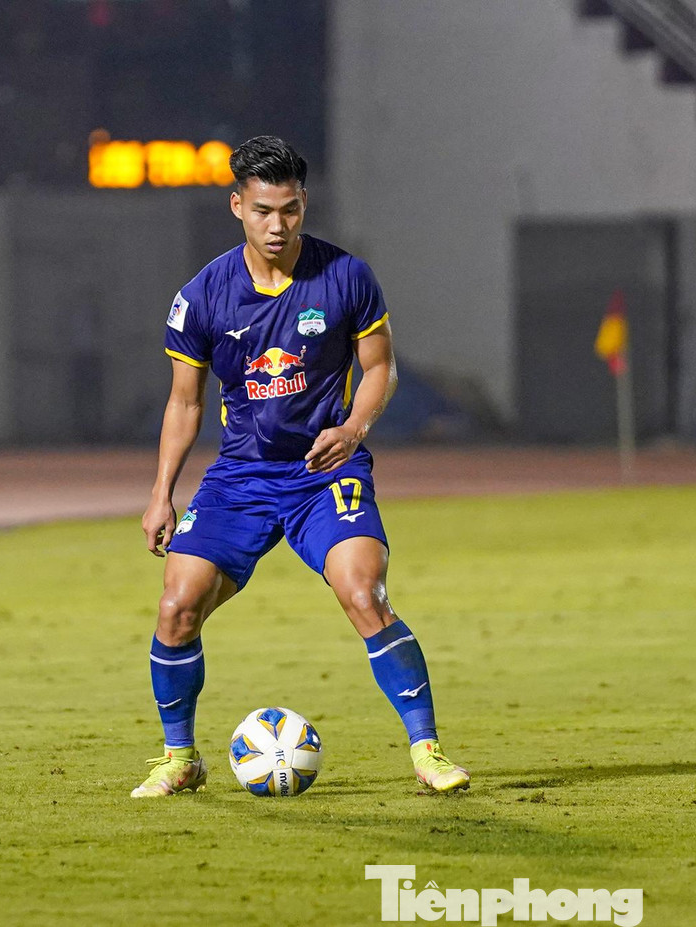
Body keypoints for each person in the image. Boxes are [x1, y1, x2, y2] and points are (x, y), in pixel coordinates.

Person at [130, 135, 469, 798]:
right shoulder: (203, 296)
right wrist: (160, 494)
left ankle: (428, 751)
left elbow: (380, 369)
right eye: (262, 210)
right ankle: (179, 758)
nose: (277, 225)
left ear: (304, 203)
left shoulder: (346, 277)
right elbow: (182, 402)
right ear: (237, 206)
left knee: (364, 592)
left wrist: (352, 427)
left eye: (289, 209)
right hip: (241, 476)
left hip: (326, 471)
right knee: (176, 607)